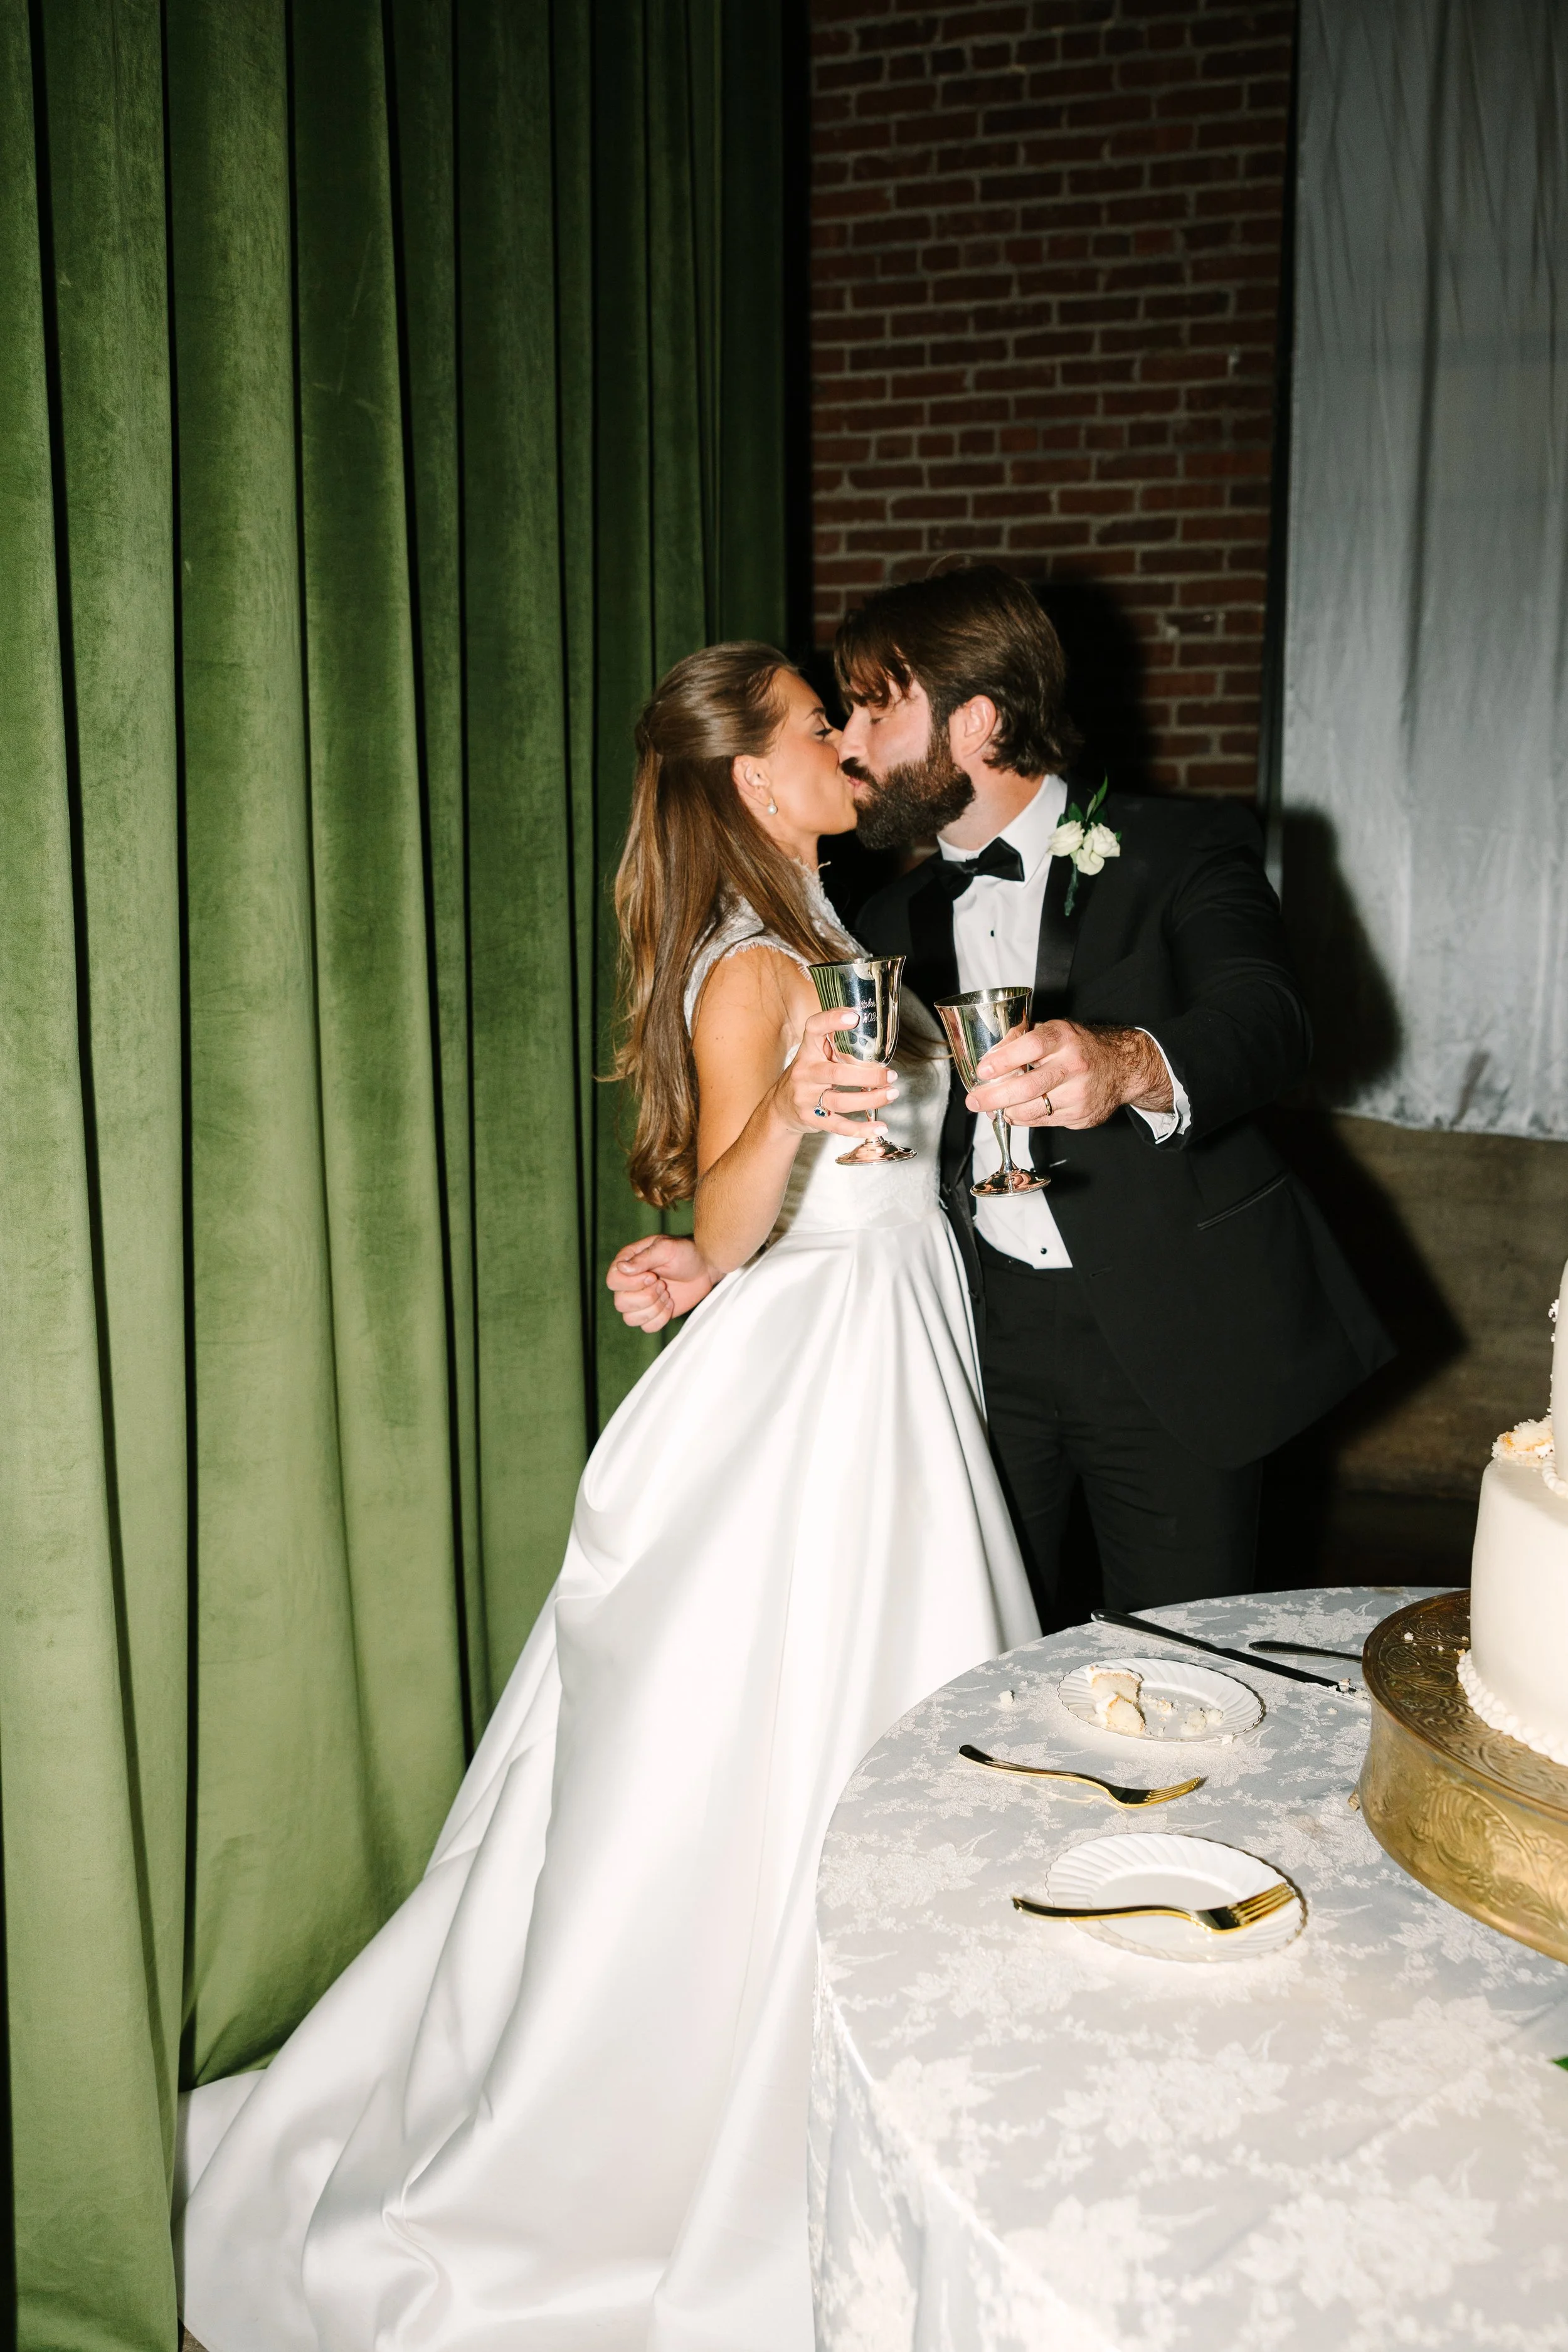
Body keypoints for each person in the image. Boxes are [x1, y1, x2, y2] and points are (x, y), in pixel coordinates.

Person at [176, 643, 1036, 2351]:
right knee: (789, 1742)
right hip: (815, 1395)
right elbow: (729, 1222)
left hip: (889, 1347)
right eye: (818, 725)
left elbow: (771, 1214)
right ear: (753, 777)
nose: (849, 740)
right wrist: (777, 1128)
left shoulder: (834, 934)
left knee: (899, 1715)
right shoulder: (749, 974)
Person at [613, 570, 1391, 1626]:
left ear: (973, 721)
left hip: (1167, 1344)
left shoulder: (1181, 847)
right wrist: (714, 1252)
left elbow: (1269, 1021)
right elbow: (810, 1131)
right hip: (964, 1348)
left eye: (879, 708)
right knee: (974, 1659)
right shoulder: (871, 920)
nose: (849, 738)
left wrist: (1128, 1062)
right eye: (834, 714)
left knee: (1183, 1667)